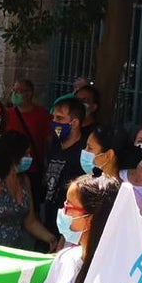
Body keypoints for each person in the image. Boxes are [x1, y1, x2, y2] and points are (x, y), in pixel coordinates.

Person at [37, 97, 89, 233]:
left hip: (70, 227)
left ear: (74, 123)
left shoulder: (85, 154)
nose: (54, 122)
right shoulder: (53, 147)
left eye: (59, 119)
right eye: (53, 118)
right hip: (47, 223)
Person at [4, 78, 52, 165]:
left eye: (18, 91)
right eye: (13, 90)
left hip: (33, 165)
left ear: (29, 93)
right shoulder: (7, 114)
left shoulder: (42, 115)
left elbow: (48, 141)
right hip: (10, 165)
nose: (14, 94)